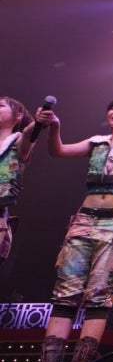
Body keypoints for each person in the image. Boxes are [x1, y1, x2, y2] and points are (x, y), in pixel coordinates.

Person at [40, 92, 113, 362]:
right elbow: (58, 151)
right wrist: (55, 127)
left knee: (98, 293)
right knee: (65, 291)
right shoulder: (96, 142)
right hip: (85, 219)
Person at [0, 97, 36, 266]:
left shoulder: (18, 143)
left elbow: (29, 134)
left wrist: (39, 122)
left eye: (1, 106)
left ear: (18, 115)